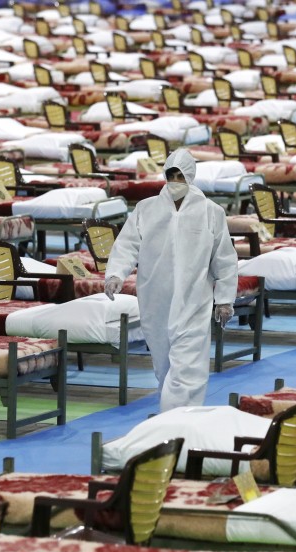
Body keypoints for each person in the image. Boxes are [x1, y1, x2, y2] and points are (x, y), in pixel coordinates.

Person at [103, 148, 238, 412]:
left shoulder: (211, 212)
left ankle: (177, 421)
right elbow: (127, 244)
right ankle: (173, 416)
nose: (175, 181)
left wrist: (224, 299)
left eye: (180, 175)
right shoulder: (147, 209)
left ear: (190, 176)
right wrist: (116, 273)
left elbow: (224, 257)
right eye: (171, 175)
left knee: (189, 366)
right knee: (164, 366)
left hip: (195, 300)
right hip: (155, 299)